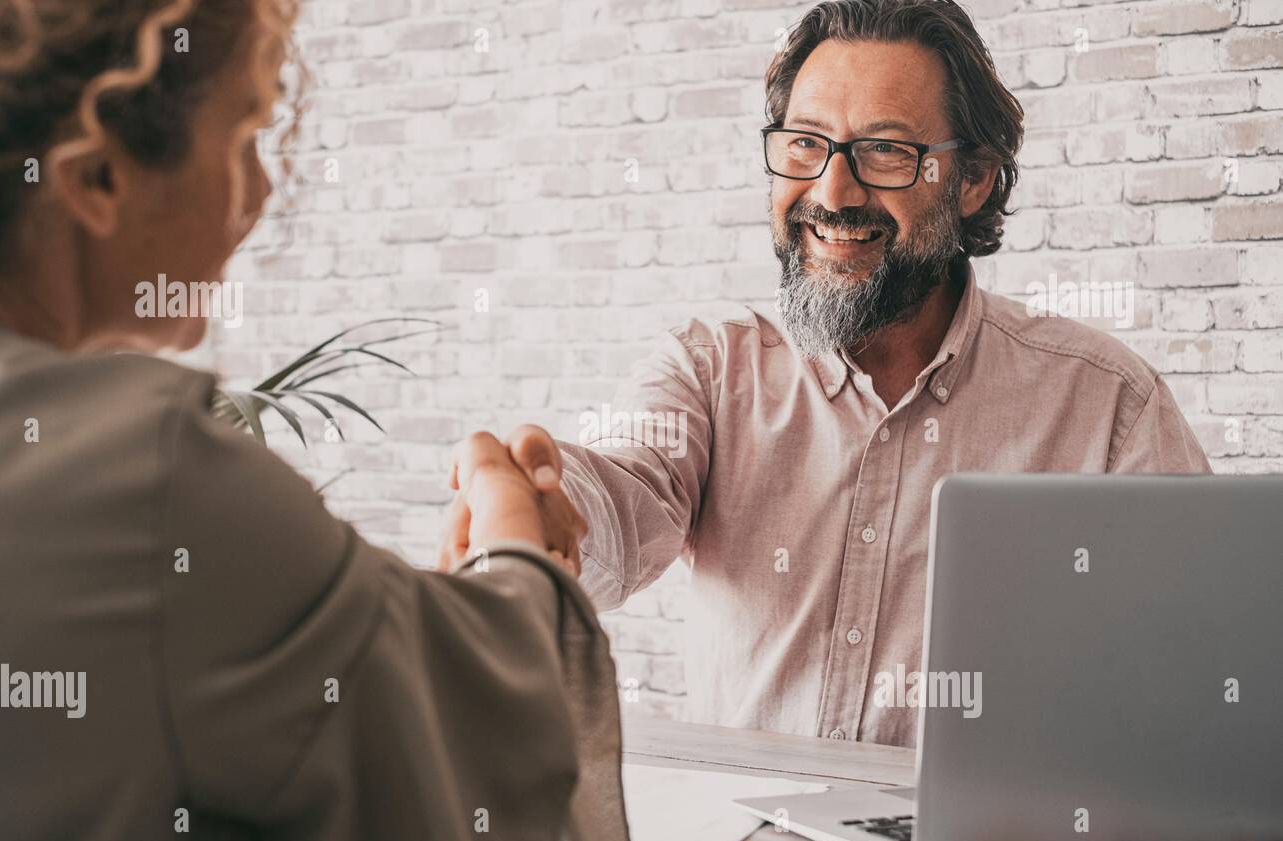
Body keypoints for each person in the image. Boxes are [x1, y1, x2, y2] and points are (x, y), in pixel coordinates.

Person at [440, 0, 1212, 748]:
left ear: (973, 178)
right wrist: (545, 508)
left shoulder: (1108, 404)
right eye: (805, 144)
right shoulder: (711, 368)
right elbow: (622, 494)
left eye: (884, 151)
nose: (832, 195)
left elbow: (1195, 668)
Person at [0, 0, 632, 841]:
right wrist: (511, 515)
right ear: (97, 173)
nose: (262, 190)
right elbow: (480, 720)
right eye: (246, 134)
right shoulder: (148, 477)